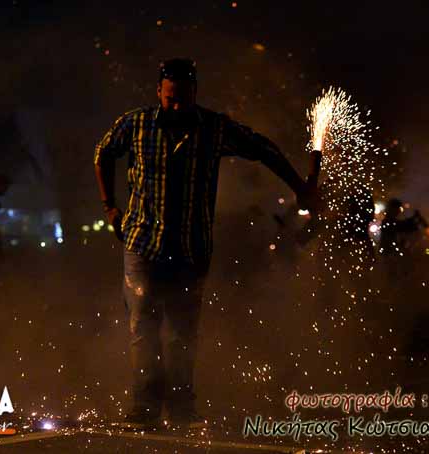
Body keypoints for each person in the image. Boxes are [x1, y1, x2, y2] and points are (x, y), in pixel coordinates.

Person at [93, 58, 317, 429]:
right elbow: (102, 152)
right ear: (159, 92)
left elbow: (263, 149)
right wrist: (109, 206)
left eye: (183, 98)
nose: (176, 105)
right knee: (144, 324)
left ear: (195, 93)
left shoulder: (214, 128)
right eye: (170, 98)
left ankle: (181, 408)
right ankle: (144, 408)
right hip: (142, 242)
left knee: (182, 330)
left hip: (191, 246)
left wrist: (299, 186)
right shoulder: (135, 124)